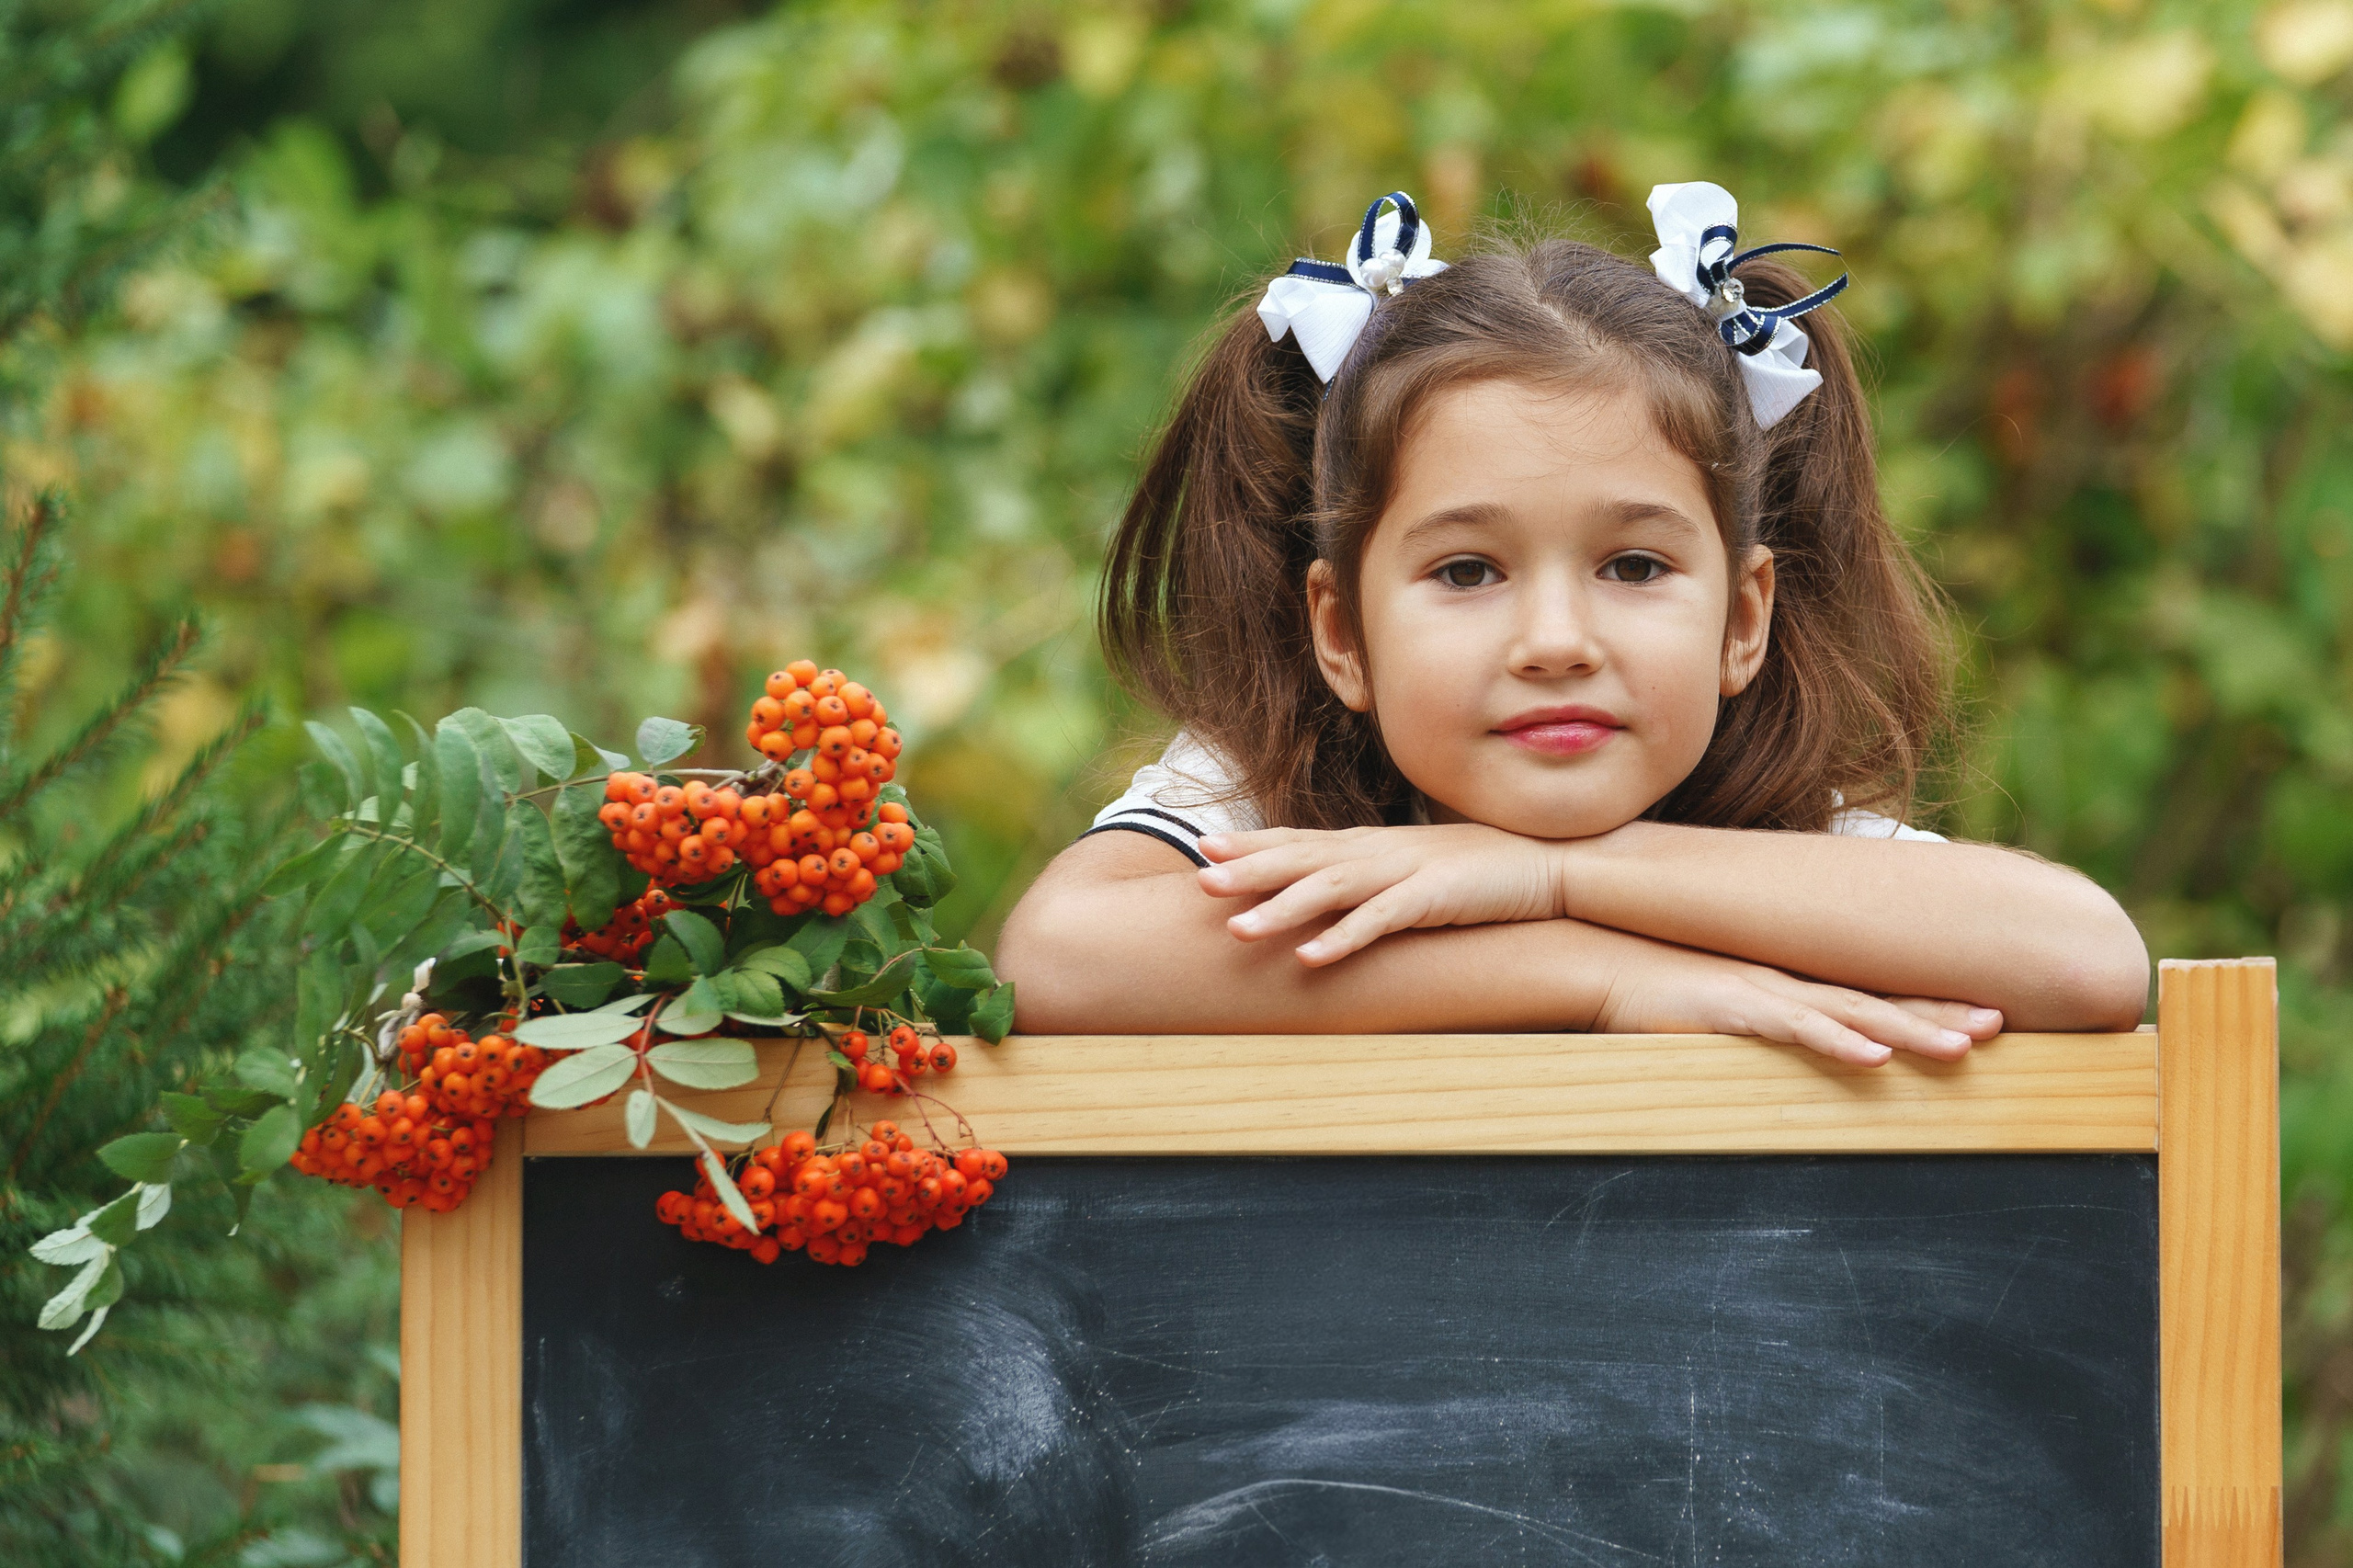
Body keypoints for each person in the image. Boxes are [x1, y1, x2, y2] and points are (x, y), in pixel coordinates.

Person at [995, 187, 2148, 1063]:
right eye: (1465, 571)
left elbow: (2085, 956)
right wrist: (1591, 971)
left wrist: (1556, 872)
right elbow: (1058, 960)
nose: (1556, 640)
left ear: (1742, 619)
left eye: (1634, 565)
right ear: (1341, 634)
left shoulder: (1782, 833)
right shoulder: (1259, 791)